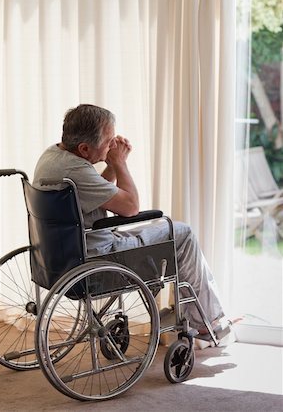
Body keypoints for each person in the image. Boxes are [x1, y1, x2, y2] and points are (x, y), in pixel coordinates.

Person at [33, 104, 230, 338]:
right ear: (84, 148)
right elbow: (130, 207)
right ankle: (205, 320)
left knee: (168, 232)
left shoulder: (53, 157)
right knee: (182, 232)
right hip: (99, 261)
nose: (112, 145)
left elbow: (96, 192)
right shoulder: (76, 171)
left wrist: (110, 163)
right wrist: (120, 163)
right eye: (108, 141)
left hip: (60, 258)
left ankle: (194, 311)